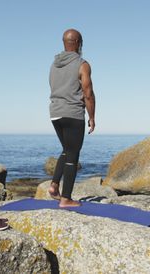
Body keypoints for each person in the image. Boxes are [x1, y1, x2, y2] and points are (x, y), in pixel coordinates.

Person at [48, 28, 96, 208]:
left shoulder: (54, 65)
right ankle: (66, 199)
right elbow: (88, 93)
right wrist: (92, 117)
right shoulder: (82, 64)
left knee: (67, 149)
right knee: (73, 156)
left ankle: (54, 185)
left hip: (55, 113)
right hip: (73, 114)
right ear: (78, 43)